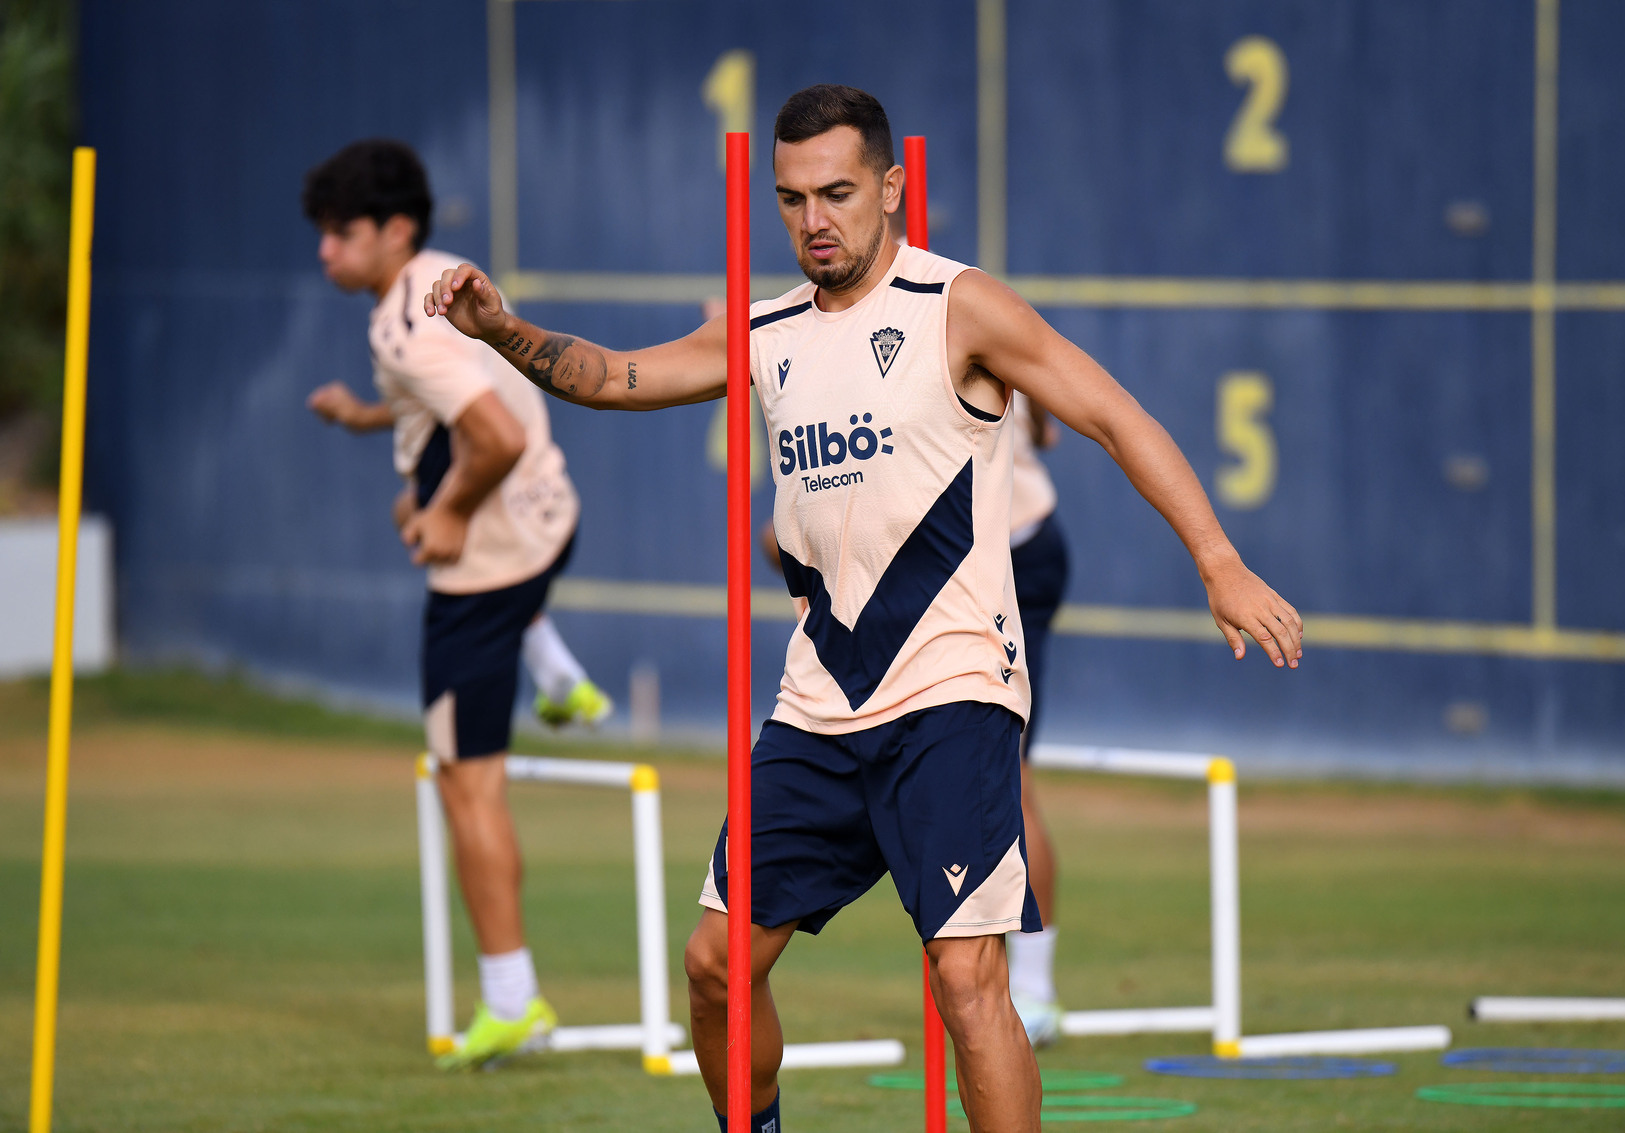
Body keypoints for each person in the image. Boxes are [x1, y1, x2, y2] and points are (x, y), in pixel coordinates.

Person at [425, 86, 1302, 1133]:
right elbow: (614, 378)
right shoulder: (763, 328)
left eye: (836, 193)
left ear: (890, 187)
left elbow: (1113, 416)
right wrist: (501, 330)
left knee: (966, 979)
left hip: (953, 688)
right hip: (820, 701)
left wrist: (1218, 559)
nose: (814, 220)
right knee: (714, 965)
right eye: (792, 198)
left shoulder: (959, 306)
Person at [300, 138, 612, 1069]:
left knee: (463, 779)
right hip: (552, 519)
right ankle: (555, 672)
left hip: (488, 570)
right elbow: (436, 403)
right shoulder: (444, 280)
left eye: (341, 232)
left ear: (395, 229)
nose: (324, 250)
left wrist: (446, 512)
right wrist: (363, 418)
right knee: (417, 501)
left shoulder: (404, 325)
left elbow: (494, 434)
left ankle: (513, 1000)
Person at [1002, 391, 1069, 1047]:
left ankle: (1034, 989)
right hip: (993, 551)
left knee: (1008, 772)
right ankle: (1013, 981)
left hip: (1012, 554)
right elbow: (1048, 430)